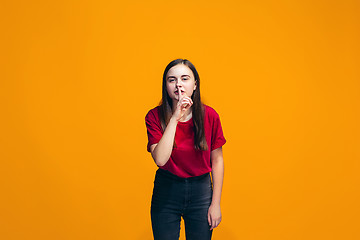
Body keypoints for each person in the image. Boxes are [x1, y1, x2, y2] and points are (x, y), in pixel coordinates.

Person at [145, 58, 226, 240]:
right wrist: (175, 118)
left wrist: (216, 203)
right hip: (167, 190)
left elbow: (218, 160)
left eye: (184, 78)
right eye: (171, 80)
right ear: (165, 85)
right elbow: (160, 159)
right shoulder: (154, 116)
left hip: (201, 191)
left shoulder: (210, 116)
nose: (178, 85)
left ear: (195, 84)